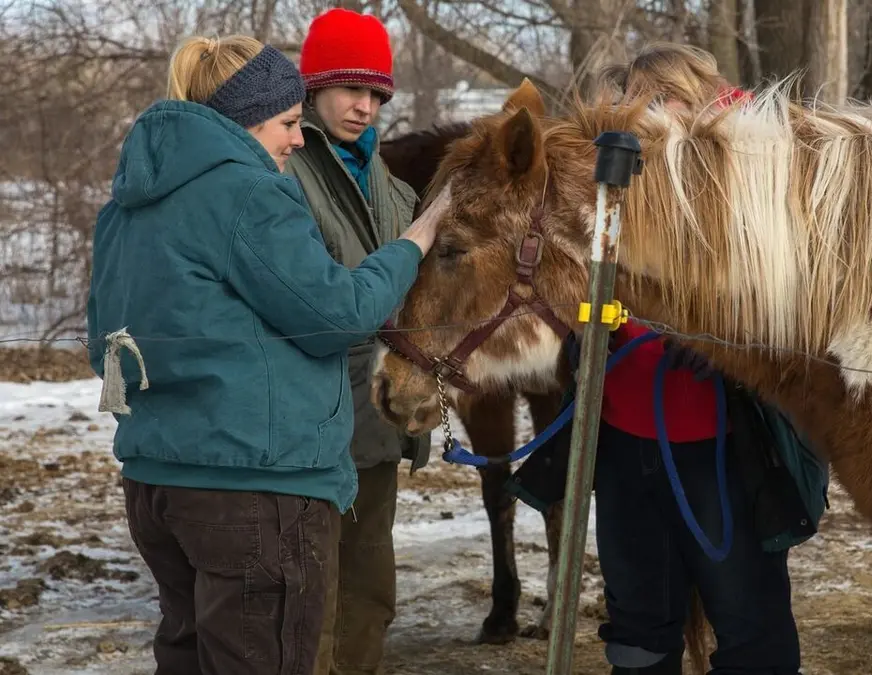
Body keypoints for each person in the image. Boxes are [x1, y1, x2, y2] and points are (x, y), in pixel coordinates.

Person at [85, 33, 445, 675]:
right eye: (286, 122)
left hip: (157, 484)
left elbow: (105, 347)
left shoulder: (127, 205)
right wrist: (416, 239)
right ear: (246, 120)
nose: (299, 139)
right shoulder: (248, 193)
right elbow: (337, 314)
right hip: (256, 492)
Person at [507, 44, 827, 675]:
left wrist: (721, 334)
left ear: (699, 99)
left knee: (748, 620)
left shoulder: (754, 175)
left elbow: (792, 298)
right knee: (637, 625)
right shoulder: (619, 175)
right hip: (626, 441)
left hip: (722, 445)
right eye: (641, 105)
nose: (652, 118)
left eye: (663, 102)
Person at [282, 9, 428, 673]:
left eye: (376, 94)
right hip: (304, 429)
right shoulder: (282, 174)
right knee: (306, 602)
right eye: (349, 89)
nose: (363, 106)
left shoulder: (397, 191)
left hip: (375, 427)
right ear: (314, 89)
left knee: (370, 596)